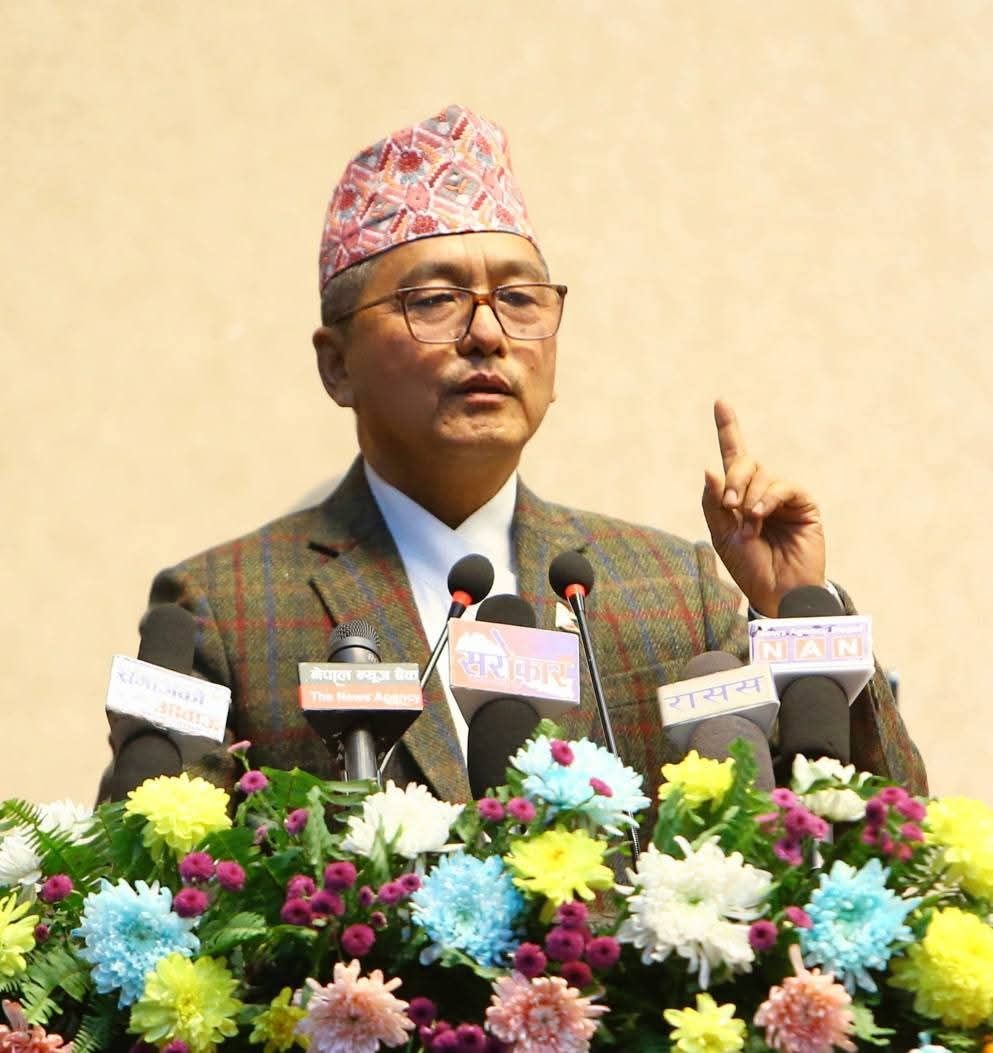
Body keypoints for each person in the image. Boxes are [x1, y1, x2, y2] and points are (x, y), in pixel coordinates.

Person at [104, 104, 925, 805]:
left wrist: (792, 611)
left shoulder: (674, 591)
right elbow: (153, 871)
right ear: (337, 365)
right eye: (435, 300)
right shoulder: (226, 606)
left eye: (521, 298)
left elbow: (881, 837)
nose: (488, 333)